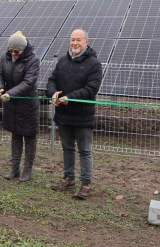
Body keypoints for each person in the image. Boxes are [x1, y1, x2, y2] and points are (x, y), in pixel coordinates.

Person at [46, 28, 102, 199]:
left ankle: (85, 183)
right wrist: (53, 93)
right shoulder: (62, 61)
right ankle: (69, 178)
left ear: (86, 42)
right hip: (63, 114)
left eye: (78, 40)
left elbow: (91, 89)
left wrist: (70, 97)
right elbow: (51, 80)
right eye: (72, 40)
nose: (75, 43)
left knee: (84, 151)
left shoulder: (94, 64)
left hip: (82, 115)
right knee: (67, 148)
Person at [0, 31, 40, 182]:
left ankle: (27, 170)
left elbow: (28, 82)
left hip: (27, 105)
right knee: (15, 135)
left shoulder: (32, 60)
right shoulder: (5, 57)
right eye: (11, 50)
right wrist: (0, 88)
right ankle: (15, 168)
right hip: (11, 104)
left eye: (17, 51)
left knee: (29, 136)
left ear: (23, 49)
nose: (13, 53)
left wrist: (10, 93)